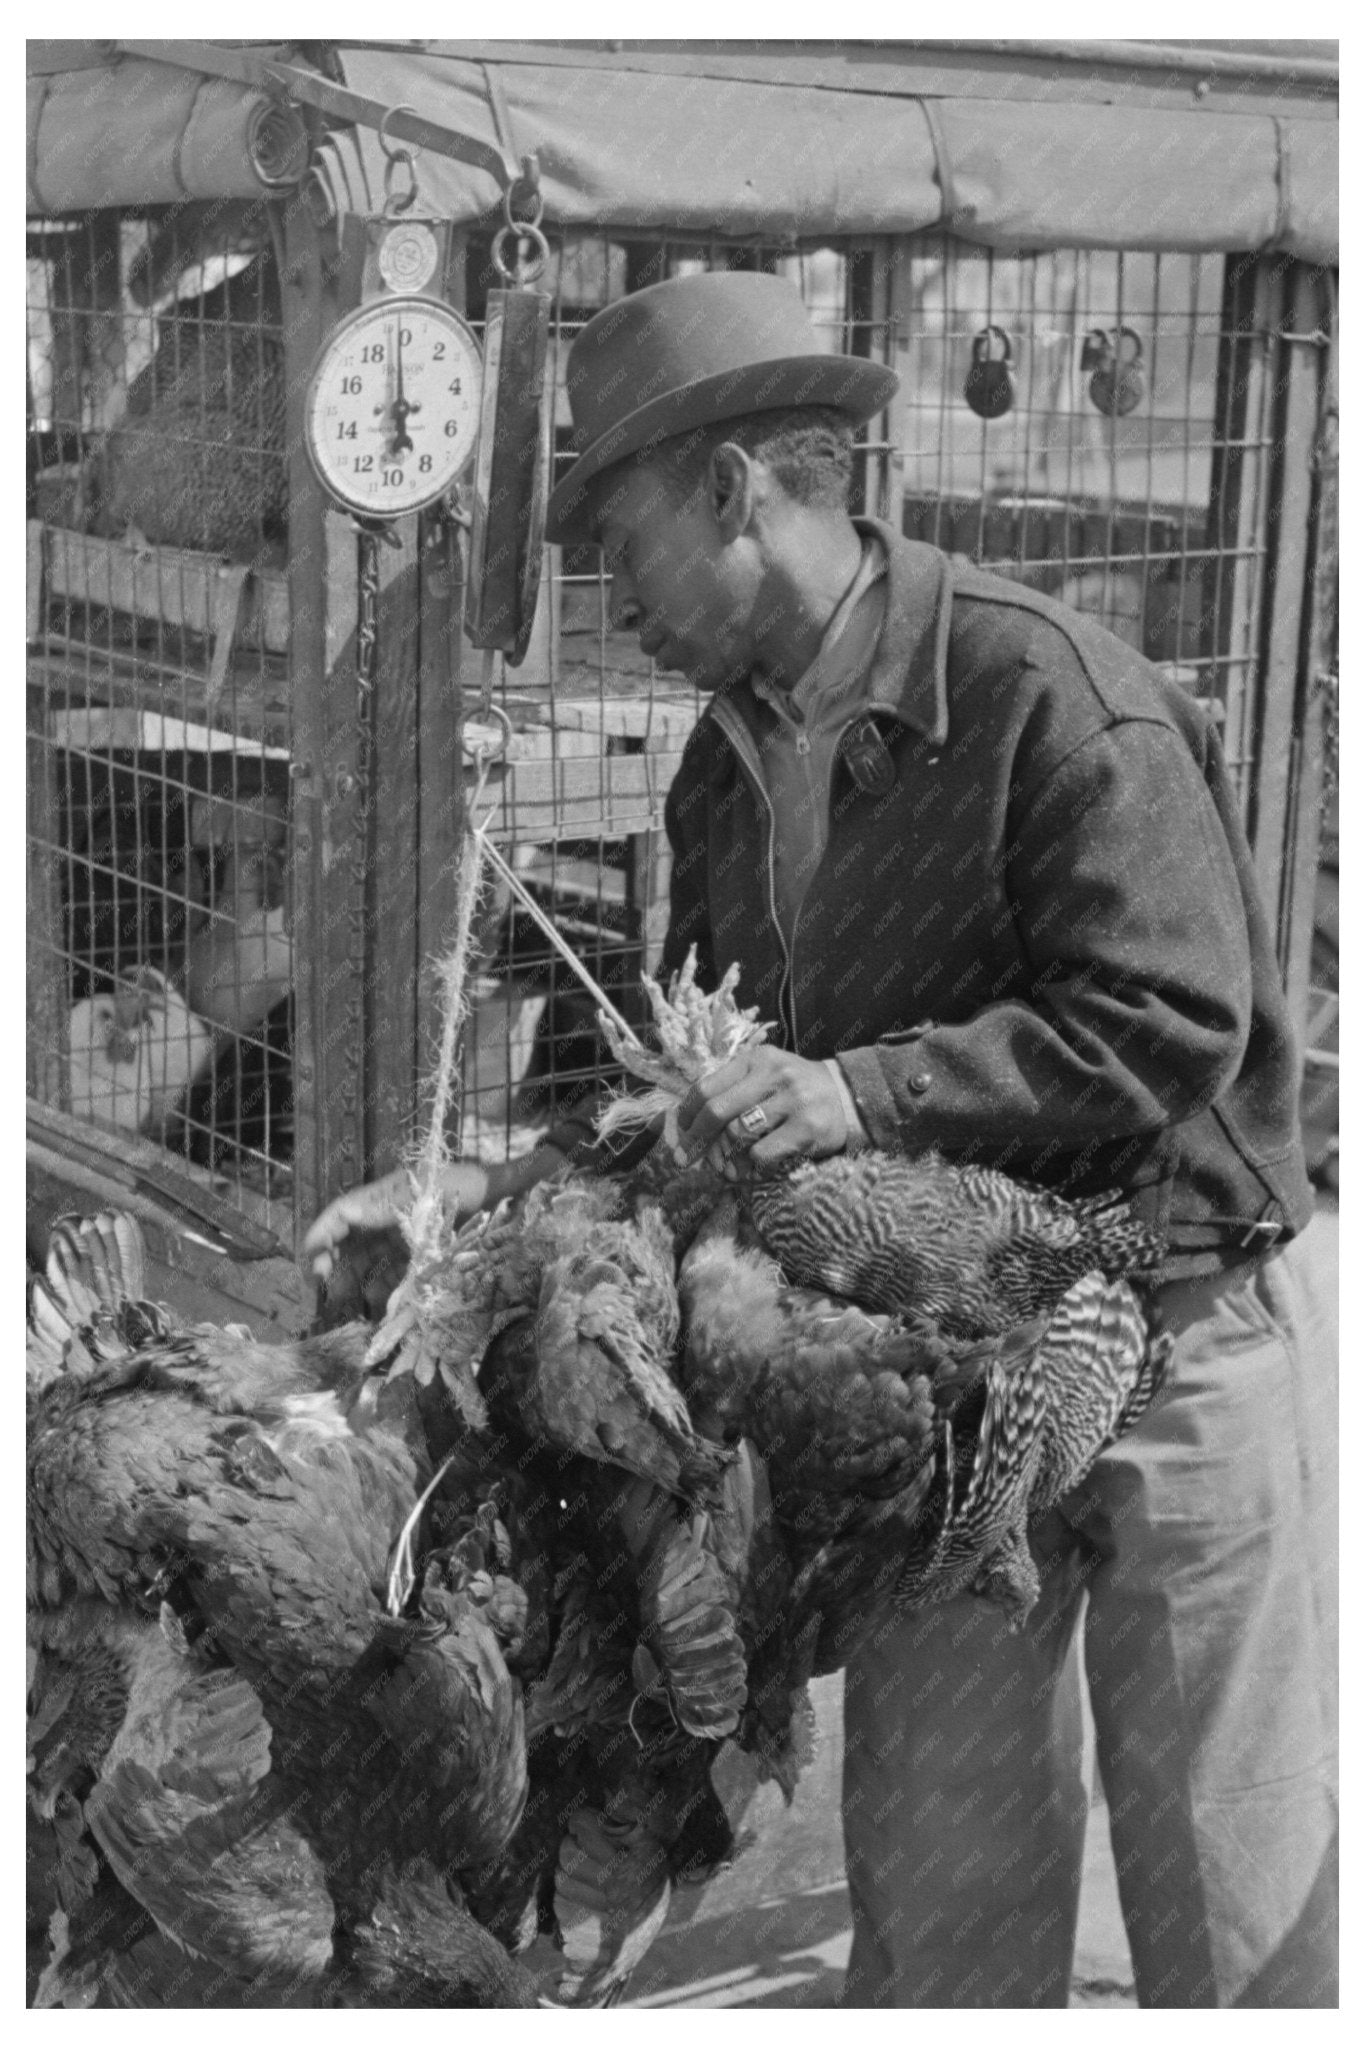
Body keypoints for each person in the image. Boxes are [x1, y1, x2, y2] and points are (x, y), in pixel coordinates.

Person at [304, 272, 1337, 2007]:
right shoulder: (720, 773)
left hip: (1169, 1328)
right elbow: (690, 1091)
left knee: (1227, 1886)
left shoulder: (1042, 692)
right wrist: (469, 1196)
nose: (611, 600)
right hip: (919, 1385)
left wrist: (862, 1091)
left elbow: (1171, 1014)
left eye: (621, 545)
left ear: (733, 492)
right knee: (943, 1886)